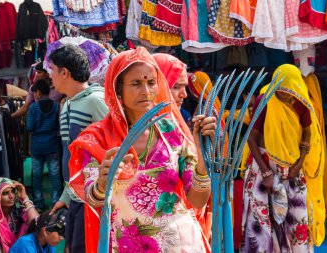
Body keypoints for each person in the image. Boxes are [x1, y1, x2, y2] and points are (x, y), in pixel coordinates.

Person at [68, 47, 216, 252]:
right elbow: (93, 198)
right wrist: (103, 182)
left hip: (180, 243)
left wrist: (201, 158)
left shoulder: (172, 132)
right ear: (117, 89)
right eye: (136, 83)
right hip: (127, 246)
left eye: (151, 82)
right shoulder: (98, 138)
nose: (146, 92)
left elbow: (197, 200)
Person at [242, 64, 326, 252]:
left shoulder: (302, 103)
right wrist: (266, 173)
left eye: (288, 92)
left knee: (296, 219)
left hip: (292, 168)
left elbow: (306, 134)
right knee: (262, 222)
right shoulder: (265, 100)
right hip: (263, 165)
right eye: (280, 91)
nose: (284, 96)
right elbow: (251, 137)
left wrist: (299, 164)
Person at [47, 44, 109, 252]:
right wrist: (65, 197)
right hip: (75, 198)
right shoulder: (66, 105)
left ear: (64, 72)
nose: (50, 76)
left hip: (94, 199)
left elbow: (115, 148)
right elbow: (72, 156)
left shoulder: (96, 101)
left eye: (51, 69)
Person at [26, 79, 61, 212]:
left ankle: (39, 203)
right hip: (52, 145)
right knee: (55, 174)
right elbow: (59, 125)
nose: (34, 95)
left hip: (36, 146)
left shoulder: (33, 108)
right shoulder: (57, 106)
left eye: (34, 92)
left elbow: (29, 127)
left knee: (37, 175)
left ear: (39, 92)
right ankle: (56, 202)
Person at [0, 178, 39, 253]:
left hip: (14, 248)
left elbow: (36, 223)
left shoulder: (16, 208)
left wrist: (25, 197)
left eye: (13, 192)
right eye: (5, 193)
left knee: (33, 229)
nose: (11, 196)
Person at [152, 53, 192, 123]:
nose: (184, 95)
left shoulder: (179, 119)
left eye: (185, 86)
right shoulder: (143, 128)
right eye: (176, 87)